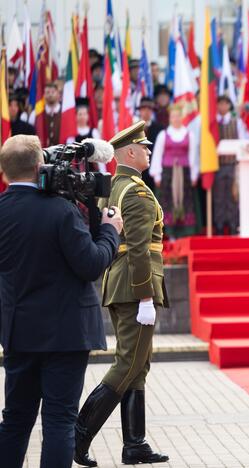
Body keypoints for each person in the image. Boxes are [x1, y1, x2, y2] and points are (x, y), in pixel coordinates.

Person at [0, 135, 121, 468]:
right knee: (58, 421)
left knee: (15, 419)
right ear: (40, 166)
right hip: (66, 335)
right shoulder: (60, 210)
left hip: (19, 333)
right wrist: (110, 229)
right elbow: (92, 263)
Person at [75, 121, 169, 466]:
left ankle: (135, 443)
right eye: (143, 147)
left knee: (138, 365)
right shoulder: (138, 193)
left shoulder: (115, 187)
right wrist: (146, 296)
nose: (148, 150)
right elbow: (141, 249)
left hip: (121, 283)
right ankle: (78, 434)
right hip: (135, 286)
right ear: (129, 152)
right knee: (128, 364)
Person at [149, 104, 201, 239]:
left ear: (182, 118)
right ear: (170, 118)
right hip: (167, 174)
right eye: (173, 117)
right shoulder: (163, 135)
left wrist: (194, 174)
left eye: (178, 116)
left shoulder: (189, 134)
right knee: (168, 202)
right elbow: (157, 155)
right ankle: (170, 234)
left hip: (185, 174)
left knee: (185, 201)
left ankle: (185, 233)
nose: (176, 119)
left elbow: (193, 156)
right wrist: (157, 174)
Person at [214, 95, 249, 235]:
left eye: (225, 104)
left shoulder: (237, 122)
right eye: (220, 104)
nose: (222, 107)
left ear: (229, 106)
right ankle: (219, 225)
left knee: (233, 196)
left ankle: (234, 225)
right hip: (217, 166)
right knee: (219, 197)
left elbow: (243, 141)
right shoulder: (213, 123)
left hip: (233, 165)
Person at [136, 97, 164, 192]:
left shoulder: (160, 129)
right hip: (137, 171)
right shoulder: (134, 128)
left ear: (152, 111)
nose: (146, 112)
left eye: (149, 109)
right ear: (139, 111)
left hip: (153, 171)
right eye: (143, 109)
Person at [41, 82, 62, 147]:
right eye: (47, 92)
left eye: (53, 92)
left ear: (58, 94)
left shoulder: (64, 112)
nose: (50, 95)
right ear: (44, 95)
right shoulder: (38, 114)